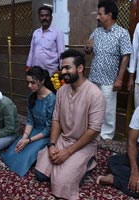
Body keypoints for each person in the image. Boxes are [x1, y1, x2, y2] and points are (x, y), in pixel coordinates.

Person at [34, 49, 106, 200]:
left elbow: (93, 130)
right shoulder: (61, 91)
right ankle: (67, 167)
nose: (63, 72)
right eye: (62, 68)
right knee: (40, 175)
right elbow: (56, 120)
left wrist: (68, 152)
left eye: (67, 68)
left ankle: (88, 162)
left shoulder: (95, 94)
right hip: (63, 140)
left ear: (80, 69)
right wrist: (52, 145)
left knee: (60, 186)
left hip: (83, 145)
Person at [85, 0, 131, 144]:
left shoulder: (122, 33)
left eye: (100, 14)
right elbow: (88, 51)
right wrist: (87, 48)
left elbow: (126, 57)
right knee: (92, 106)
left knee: (108, 109)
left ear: (109, 15)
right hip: (94, 77)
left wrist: (119, 79)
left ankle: (107, 135)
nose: (97, 17)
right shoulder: (96, 32)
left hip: (110, 79)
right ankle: (92, 130)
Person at [0, 67, 56, 176]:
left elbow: (49, 128)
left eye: (33, 82)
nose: (29, 86)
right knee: (14, 150)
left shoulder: (51, 99)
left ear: (42, 81)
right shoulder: (31, 96)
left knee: (26, 156)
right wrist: (25, 137)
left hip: (46, 134)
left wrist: (29, 140)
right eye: (28, 82)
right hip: (34, 130)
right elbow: (30, 120)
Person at [26, 6, 65, 76]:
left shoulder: (57, 32)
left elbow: (61, 52)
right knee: (37, 87)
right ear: (39, 18)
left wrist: (62, 69)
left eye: (47, 15)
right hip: (36, 71)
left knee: (50, 87)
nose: (44, 18)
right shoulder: (36, 33)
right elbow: (32, 51)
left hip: (51, 72)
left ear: (51, 17)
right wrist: (28, 66)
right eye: (42, 16)